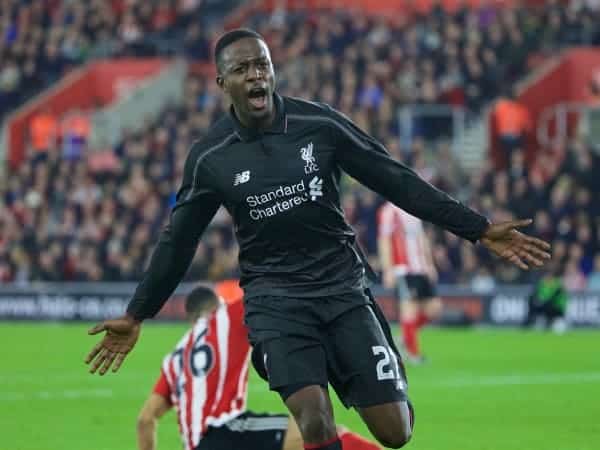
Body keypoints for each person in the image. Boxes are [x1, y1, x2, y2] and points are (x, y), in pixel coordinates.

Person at [85, 29, 551, 450]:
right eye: (242, 69)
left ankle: (368, 359)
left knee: (395, 433)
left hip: (343, 290)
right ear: (222, 83)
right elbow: (177, 242)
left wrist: (477, 228)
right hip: (275, 301)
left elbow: (395, 180)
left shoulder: (320, 126)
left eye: (262, 65)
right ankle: (317, 365)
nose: (256, 75)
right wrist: (137, 313)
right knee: (314, 420)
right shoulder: (211, 158)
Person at [136, 282, 382, 450]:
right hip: (226, 429)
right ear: (216, 305)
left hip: (195, 444)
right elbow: (266, 292)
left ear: (190, 318)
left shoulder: (173, 360)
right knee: (320, 432)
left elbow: (145, 420)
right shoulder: (227, 315)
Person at [377, 201, 442, 364]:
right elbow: (384, 241)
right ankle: (413, 354)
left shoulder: (413, 209)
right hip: (402, 269)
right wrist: (388, 269)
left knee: (434, 309)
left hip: (420, 268)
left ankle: (405, 338)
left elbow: (422, 238)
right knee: (410, 308)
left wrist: (429, 264)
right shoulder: (388, 211)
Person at [523, 267, 568, 334]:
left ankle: (546, 322)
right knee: (535, 304)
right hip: (545, 309)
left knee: (546, 305)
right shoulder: (542, 284)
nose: (546, 277)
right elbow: (535, 296)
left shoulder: (558, 285)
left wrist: (540, 302)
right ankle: (532, 321)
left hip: (557, 310)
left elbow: (554, 298)